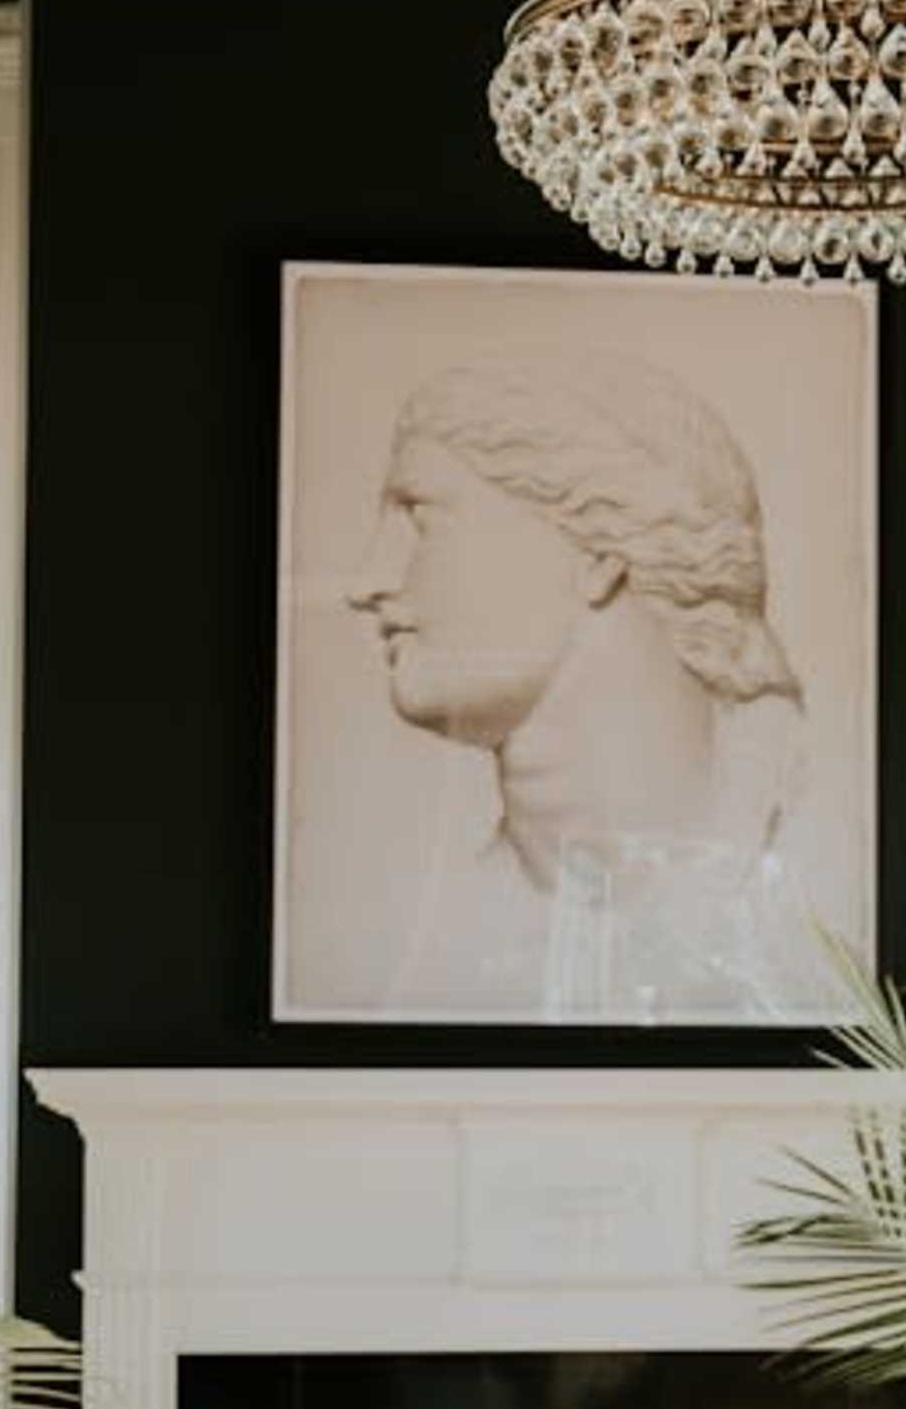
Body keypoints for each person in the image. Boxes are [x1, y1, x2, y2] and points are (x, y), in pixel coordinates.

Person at [338, 351, 816, 1013]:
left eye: (424, 521)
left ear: (597, 555)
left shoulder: (797, 873)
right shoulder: (443, 939)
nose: (368, 582)